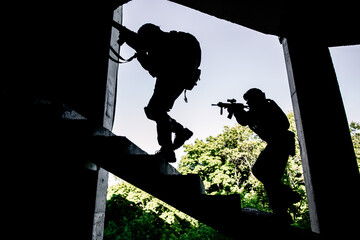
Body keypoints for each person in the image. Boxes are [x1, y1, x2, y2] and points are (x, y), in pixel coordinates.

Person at [112, 22, 201, 162]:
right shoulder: (170, 40)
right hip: (179, 78)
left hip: (170, 78)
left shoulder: (161, 45)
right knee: (155, 110)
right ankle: (179, 132)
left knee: (155, 110)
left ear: (150, 35)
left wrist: (140, 54)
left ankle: (168, 149)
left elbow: (153, 68)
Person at [227, 88, 300, 221]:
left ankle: (287, 198)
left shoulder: (267, 106)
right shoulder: (259, 110)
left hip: (280, 143)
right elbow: (245, 119)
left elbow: (248, 118)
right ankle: (282, 209)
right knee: (270, 179)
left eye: (250, 101)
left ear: (257, 99)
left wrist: (238, 111)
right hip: (279, 144)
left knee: (260, 171)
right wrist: (238, 111)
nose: (248, 104)